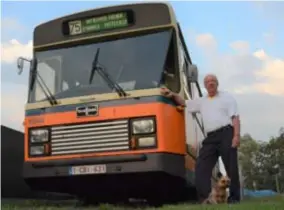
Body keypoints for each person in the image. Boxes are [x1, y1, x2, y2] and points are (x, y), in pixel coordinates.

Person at [160, 74, 241, 204]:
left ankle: (234, 198)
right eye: (208, 82)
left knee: (231, 167)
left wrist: (236, 135)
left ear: (217, 83)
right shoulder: (201, 101)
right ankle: (205, 198)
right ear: (205, 85)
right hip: (210, 137)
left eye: (213, 81)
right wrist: (172, 94)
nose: (211, 83)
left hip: (227, 133)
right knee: (201, 166)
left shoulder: (227, 98)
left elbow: (235, 118)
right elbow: (184, 102)